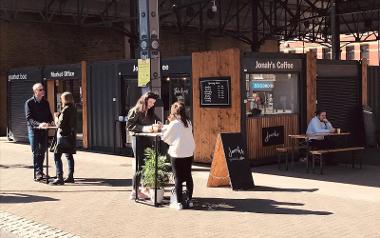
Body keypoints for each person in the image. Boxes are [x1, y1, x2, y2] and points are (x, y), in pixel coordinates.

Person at [126, 91, 162, 199]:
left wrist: (159, 124)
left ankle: (144, 188)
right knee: (139, 165)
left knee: (147, 164)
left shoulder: (150, 111)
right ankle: (134, 191)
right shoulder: (135, 111)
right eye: (150, 102)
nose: (152, 105)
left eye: (153, 103)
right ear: (145, 100)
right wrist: (145, 128)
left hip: (148, 141)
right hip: (138, 141)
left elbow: (157, 121)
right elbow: (129, 126)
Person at [162, 102, 195, 210]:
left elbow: (165, 137)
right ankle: (190, 200)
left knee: (178, 178)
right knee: (188, 176)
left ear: (173, 112)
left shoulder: (174, 123)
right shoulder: (188, 122)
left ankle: (179, 203)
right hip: (189, 152)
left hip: (177, 153)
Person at [25, 83, 54, 181]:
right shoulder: (29, 103)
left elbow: (49, 115)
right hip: (34, 131)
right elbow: (29, 118)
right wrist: (39, 125)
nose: (43, 91)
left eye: (43, 89)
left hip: (44, 130)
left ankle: (41, 171)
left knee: (43, 151)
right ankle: (37, 173)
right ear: (35, 91)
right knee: (36, 151)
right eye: (41, 90)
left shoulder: (46, 102)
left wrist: (51, 121)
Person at [51, 92, 77, 185]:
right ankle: (70, 177)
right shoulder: (73, 108)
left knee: (56, 156)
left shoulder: (65, 110)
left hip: (63, 136)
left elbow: (59, 124)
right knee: (69, 156)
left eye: (61, 99)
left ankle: (59, 178)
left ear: (64, 99)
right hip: (71, 135)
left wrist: (56, 117)